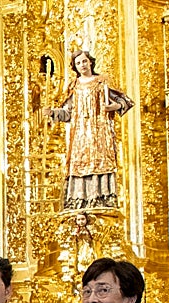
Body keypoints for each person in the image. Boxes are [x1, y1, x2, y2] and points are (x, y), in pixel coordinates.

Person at [47, 50, 133, 210]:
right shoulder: (74, 86)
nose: (82, 65)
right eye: (78, 63)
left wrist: (116, 106)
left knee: (100, 161)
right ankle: (80, 199)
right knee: (80, 164)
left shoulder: (102, 82)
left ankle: (102, 197)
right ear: (75, 66)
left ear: (90, 62)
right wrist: (53, 112)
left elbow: (124, 100)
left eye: (84, 61)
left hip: (99, 129)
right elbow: (68, 113)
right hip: (80, 133)